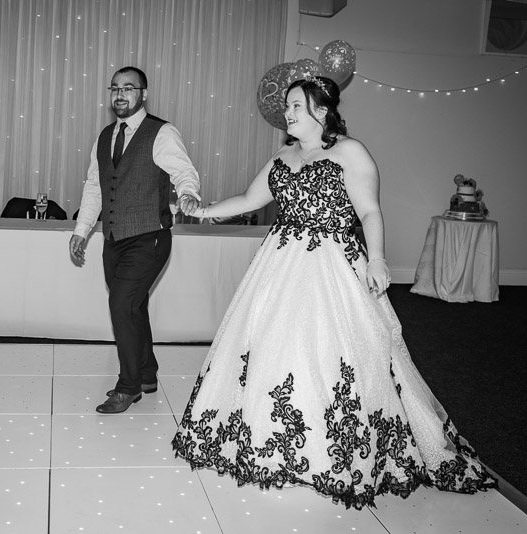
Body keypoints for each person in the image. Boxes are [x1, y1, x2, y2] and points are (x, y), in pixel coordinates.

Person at [171, 75, 497, 508]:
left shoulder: (350, 152)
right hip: (280, 263)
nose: (287, 113)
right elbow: (249, 200)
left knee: (333, 349)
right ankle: (271, 440)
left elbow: (370, 210)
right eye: (287, 106)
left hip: (333, 263)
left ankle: (334, 449)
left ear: (322, 111)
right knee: (271, 345)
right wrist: (202, 211)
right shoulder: (283, 156)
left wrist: (377, 259)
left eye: (296, 106)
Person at [69, 66, 200, 414]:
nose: (120, 94)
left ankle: (128, 387)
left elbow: (184, 171)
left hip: (149, 238)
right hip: (114, 238)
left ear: (143, 94)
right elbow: (95, 186)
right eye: (115, 88)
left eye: (128, 88)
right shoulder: (105, 136)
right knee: (133, 306)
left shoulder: (161, 132)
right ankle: (146, 374)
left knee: (122, 305)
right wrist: (82, 230)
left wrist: (188, 193)